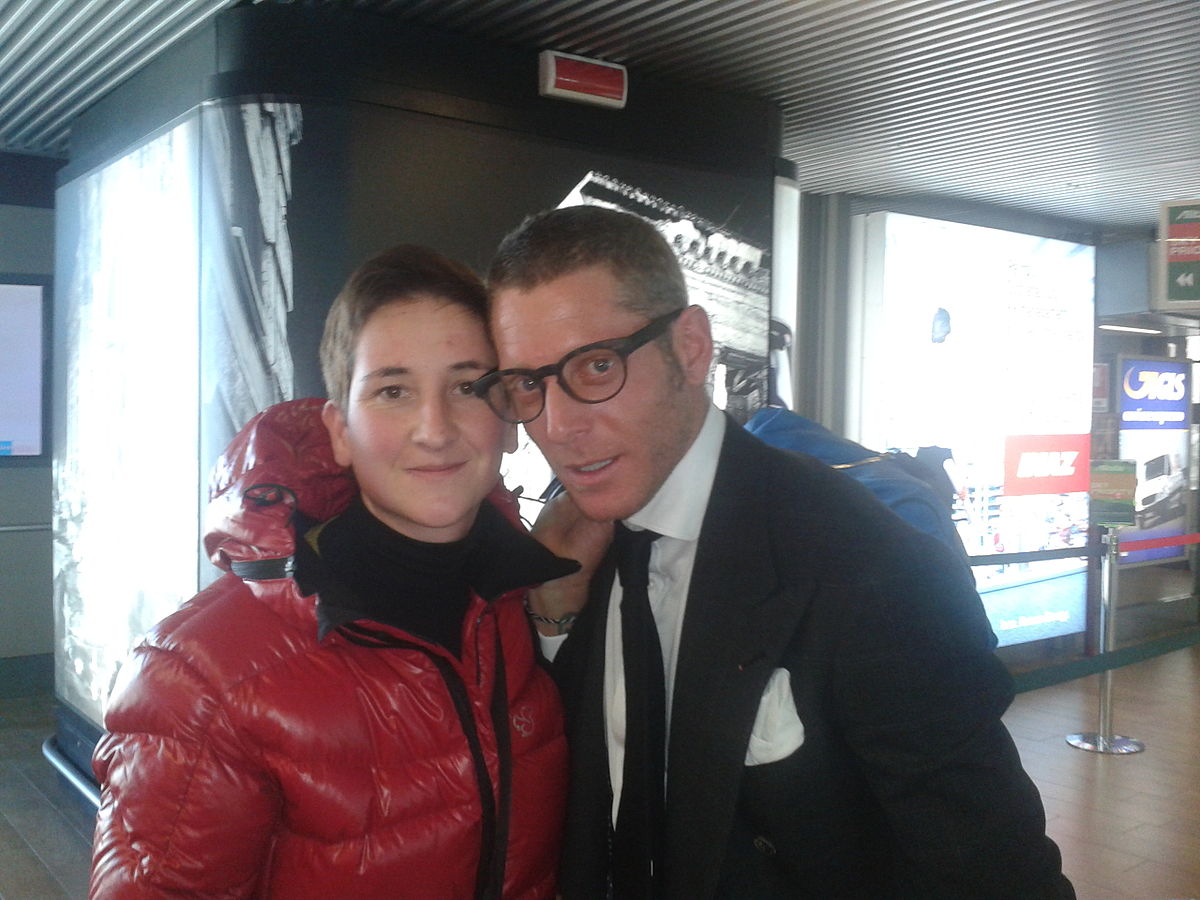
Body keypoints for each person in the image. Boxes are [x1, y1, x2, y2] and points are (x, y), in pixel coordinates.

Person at [473, 206, 1074, 899]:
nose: (557, 426)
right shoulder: (577, 545)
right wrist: (555, 615)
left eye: (597, 366)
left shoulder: (870, 566)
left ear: (690, 347)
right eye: (528, 384)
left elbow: (999, 874)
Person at [89, 246, 578, 899]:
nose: (434, 429)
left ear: (508, 416)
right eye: (393, 391)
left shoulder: (515, 600)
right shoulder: (200, 679)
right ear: (339, 431)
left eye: (467, 386)